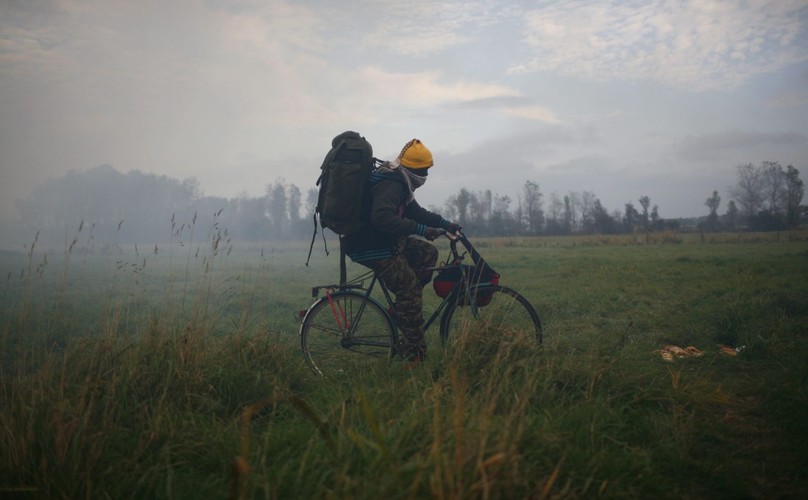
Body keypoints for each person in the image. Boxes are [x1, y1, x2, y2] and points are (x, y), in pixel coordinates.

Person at [341, 139, 461, 364]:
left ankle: (401, 311)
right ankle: (415, 353)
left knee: (428, 254)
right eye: (424, 170)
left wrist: (445, 224)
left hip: (386, 242)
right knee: (409, 288)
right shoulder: (392, 183)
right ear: (414, 169)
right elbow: (381, 218)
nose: (426, 174)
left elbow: (416, 212)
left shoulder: (400, 180)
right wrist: (422, 230)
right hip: (370, 246)